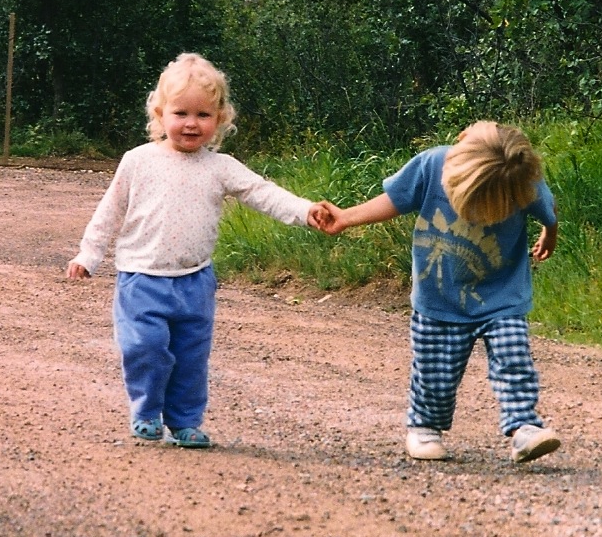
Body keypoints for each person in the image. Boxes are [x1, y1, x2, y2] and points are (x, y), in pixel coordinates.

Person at [67, 53, 327, 448]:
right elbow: (110, 211)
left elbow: (263, 193)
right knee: (144, 347)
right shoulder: (138, 161)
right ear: (160, 114)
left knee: (191, 358)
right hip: (141, 279)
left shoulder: (220, 166)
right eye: (181, 113)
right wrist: (88, 255)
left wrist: (306, 211)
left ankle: (184, 422)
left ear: (219, 119)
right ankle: (146, 411)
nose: (191, 123)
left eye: (203, 115)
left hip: (195, 282)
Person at [317, 121, 560, 463]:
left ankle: (524, 427)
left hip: (502, 295)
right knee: (436, 373)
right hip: (439, 296)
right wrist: (346, 217)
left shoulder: (519, 178)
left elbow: (548, 211)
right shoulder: (433, 165)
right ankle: (425, 427)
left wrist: (549, 234)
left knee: (514, 359)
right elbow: (396, 199)